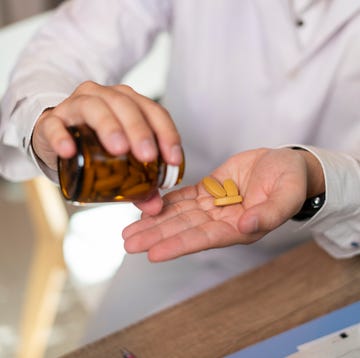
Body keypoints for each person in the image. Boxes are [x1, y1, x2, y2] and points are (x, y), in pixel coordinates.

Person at [1, 0, 360, 342]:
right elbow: (68, 45)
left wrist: (319, 178)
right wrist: (51, 119)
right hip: (179, 223)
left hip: (334, 245)